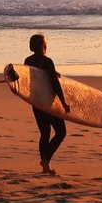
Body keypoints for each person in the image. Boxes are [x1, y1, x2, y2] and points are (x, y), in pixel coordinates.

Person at [24, 33, 70, 175]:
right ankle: (45, 160)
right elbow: (55, 84)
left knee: (44, 133)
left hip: (36, 102)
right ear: (42, 45)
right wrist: (63, 102)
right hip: (49, 102)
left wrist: (53, 72)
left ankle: (46, 166)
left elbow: (31, 78)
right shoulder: (47, 61)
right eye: (45, 42)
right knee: (61, 132)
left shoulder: (27, 60)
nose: (46, 44)